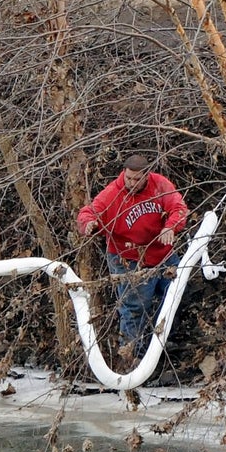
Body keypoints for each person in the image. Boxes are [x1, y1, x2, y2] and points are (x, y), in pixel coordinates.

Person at [77, 154, 189, 359]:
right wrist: (89, 224)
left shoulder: (159, 185)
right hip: (129, 260)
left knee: (176, 294)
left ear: (147, 175)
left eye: (137, 179)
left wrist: (170, 227)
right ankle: (132, 356)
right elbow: (88, 212)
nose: (131, 183)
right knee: (135, 308)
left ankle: (167, 343)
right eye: (128, 178)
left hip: (162, 255)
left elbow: (178, 207)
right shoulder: (112, 194)